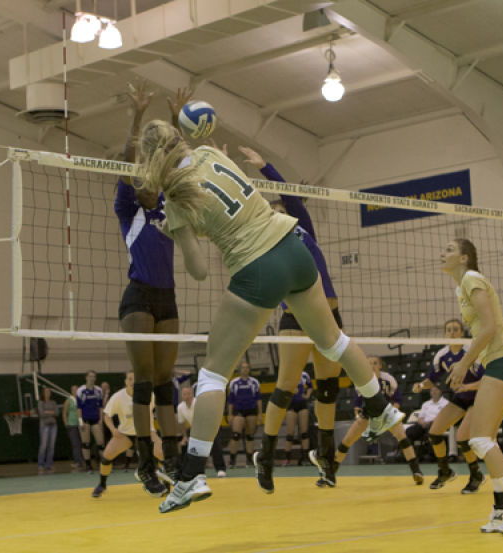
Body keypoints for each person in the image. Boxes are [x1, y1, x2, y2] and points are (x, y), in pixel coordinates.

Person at [132, 120, 403, 513]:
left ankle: (191, 476)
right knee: (334, 341)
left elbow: (199, 271)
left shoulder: (175, 200)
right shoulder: (210, 154)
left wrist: (177, 233)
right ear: (180, 138)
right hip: (293, 246)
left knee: (212, 374)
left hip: (256, 265)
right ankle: (380, 408)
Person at [236, 146, 344, 490]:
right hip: (296, 317)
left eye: (281, 208)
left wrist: (265, 166)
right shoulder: (266, 244)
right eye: (272, 210)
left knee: (328, 390)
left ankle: (326, 459)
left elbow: (289, 193)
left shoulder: (302, 227)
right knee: (285, 387)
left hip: (331, 314)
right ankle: (265, 458)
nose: (278, 210)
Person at [112, 83, 187, 496]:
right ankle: (145, 465)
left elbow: (171, 157)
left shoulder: (164, 206)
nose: (148, 184)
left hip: (168, 298)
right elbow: (130, 159)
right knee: (143, 380)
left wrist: (176, 119)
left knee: (165, 382)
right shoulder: (128, 207)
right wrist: (139, 115)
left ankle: (173, 461)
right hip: (138, 296)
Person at [440, 239, 503, 534]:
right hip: (498, 363)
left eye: (449, 249)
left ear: (465, 257)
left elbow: (490, 326)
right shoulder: (461, 287)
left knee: (479, 440)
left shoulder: (471, 279)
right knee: (485, 440)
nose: (442, 253)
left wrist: (464, 363)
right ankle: (500, 509)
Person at [411, 318, 486, 494]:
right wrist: (421, 386)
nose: (452, 332)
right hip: (460, 398)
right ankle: (445, 472)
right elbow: (432, 378)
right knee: (434, 432)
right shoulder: (442, 355)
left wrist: (466, 386)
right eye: (448, 330)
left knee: (462, 438)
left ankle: (476, 475)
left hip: (478, 398)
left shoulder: (471, 352)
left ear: (462, 333)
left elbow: (486, 380)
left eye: (455, 329)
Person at [331, 356, 423, 485]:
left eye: (375, 363)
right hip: (368, 414)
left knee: (402, 437)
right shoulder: (361, 380)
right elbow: (357, 405)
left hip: (387, 412)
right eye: (369, 363)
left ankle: (416, 471)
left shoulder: (389, 379)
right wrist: (359, 417)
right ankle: (331, 473)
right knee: (347, 439)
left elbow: (397, 401)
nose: (372, 366)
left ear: (380, 365)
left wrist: (389, 415)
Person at [92, 372, 165, 498]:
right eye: (130, 379)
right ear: (126, 381)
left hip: (147, 432)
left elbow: (154, 411)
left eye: (135, 379)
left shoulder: (148, 395)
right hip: (125, 434)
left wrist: (155, 432)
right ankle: (102, 484)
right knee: (107, 456)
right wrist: (113, 430)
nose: (132, 382)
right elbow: (107, 416)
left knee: (161, 453)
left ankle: (165, 484)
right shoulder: (118, 396)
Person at [178, 386, 227, 477]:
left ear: (192, 394)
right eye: (184, 394)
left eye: (189, 394)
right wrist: (185, 436)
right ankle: (191, 471)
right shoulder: (180, 407)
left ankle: (220, 469)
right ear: (182, 396)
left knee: (215, 445)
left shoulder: (198, 403)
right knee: (185, 445)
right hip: (194, 429)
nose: (187, 396)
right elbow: (182, 423)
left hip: (209, 426)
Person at [227, 361, 263, 468]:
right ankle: (232, 460)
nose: (245, 369)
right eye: (243, 368)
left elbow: (259, 399)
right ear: (239, 370)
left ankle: (249, 460)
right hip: (239, 411)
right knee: (236, 435)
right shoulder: (234, 383)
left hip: (251, 410)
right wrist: (229, 414)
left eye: (247, 368)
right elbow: (231, 400)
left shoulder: (254, 382)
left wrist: (260, 414)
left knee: (250, 436)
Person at [282, 370, 314, 466]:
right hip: (290, 405)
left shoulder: (304, 374)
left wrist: (307, 395)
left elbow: (310, 386)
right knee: (290, 434)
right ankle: (287, 458)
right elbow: (281, 389)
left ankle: (305, 458)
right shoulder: (287, 373)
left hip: (302, 404)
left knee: (304, 433)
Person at [404, 386, 448, 453]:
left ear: (440, 391)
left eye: (436, 390)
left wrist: (430, 422)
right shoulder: (426, 404)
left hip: (437, 424)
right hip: (423, 425)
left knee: (431, 430)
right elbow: (420, 417)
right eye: (432, 391)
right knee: (409, 432)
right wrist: (423, 423)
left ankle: (431, 453)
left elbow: (444, 418)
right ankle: (411, 454)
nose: (434, 392)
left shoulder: (446, 403)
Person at [77, 370, 105, 472]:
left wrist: (101, 419)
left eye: (94, 376)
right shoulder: (81, 390)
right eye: (90, 376)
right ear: (86, 377)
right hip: (85, 420)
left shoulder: (98, 391)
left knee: (101, 443)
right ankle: (88, 466)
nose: (92, 378)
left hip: (95, 419)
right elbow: (79, 408)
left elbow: (101, 407)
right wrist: (80, 422)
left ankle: (104, 464)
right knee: (86, 443)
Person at [62, 384, 85, 472]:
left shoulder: (81, 399)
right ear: (71, 391)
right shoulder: (68, 401)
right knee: (76, 444)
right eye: (74, 390)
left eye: (77, 389)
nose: (75, 391)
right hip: (72, 425)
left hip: (81, 424)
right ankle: (78, 462)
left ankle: (83, 460)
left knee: (83, 443)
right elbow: (64, 413)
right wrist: (66, 424)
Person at [37, 387, 58, 474]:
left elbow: (56, 412)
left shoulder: (53, 403)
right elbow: (41, 413)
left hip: (53, 426)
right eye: (46, 391)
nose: (47, 393)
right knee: (44, 445)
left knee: (51, 446)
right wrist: (51, 412)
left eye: (49, 392)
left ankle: (49, 465)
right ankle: (41, 465)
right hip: (44, 426)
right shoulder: (41, 403)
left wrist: (48, 412)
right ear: (43, 393)